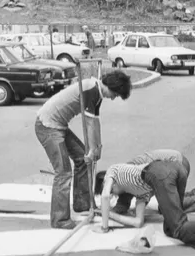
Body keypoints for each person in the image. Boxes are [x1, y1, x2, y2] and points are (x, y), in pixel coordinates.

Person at [34, 70, 132, 229]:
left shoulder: (97, 90)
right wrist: (92, 150)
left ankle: (82, 204)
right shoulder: (91, 90)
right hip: (47, 126)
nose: (113, 98)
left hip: (59, 126)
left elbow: (95, 122)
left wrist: (98, 147)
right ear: (110, 86)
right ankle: (60, 220)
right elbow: (88, 123)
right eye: (115, 94)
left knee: (81, 158)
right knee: (64, 172)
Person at [94, 149, 195, 249]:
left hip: (162, 171)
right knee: (169, 228)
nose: (114, 194)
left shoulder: (113, 171)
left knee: (178, 227)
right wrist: (109, 213)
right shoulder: (140, 192)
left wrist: (104, 225)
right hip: (174, 169)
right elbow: (138, 222)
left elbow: (107, 196)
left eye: (113, 190)